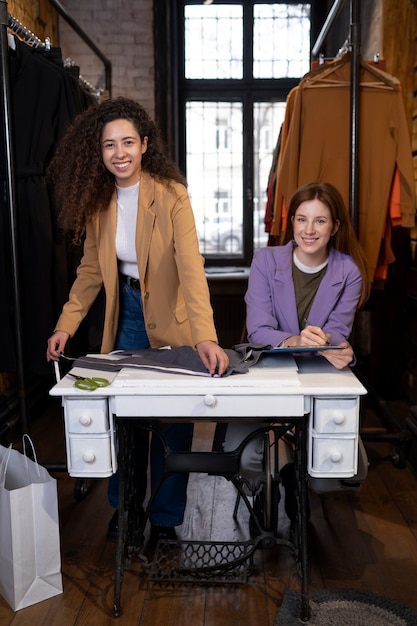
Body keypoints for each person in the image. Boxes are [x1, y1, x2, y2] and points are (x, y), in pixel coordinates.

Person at [46, 96, 229, 544]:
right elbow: (90, 270)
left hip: (173, 318)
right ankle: (124, 508)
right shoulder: (98, 201)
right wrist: (65, 325)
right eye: (110, 145)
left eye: (128, 141)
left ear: (145, 144)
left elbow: (191, 269)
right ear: (100, 151)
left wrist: (205, 337)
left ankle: (165, 519)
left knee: (172, 424)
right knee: (125, 421)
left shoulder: (171, 196)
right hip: (124, 315)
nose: (120, 152)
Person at [223, 181, 370, 523]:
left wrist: (341, 350)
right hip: (265, 368)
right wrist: (296, 341)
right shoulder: (265, 260)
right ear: (291, 223)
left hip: (316, 375)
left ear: (334, 227)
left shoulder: (348, 272)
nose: (309, 230)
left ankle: (292, 476)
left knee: (334, 468)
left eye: (320, 221)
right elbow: (258, 330)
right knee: (245, 458)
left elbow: (336, 336)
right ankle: (267, 488)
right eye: (301, 219)